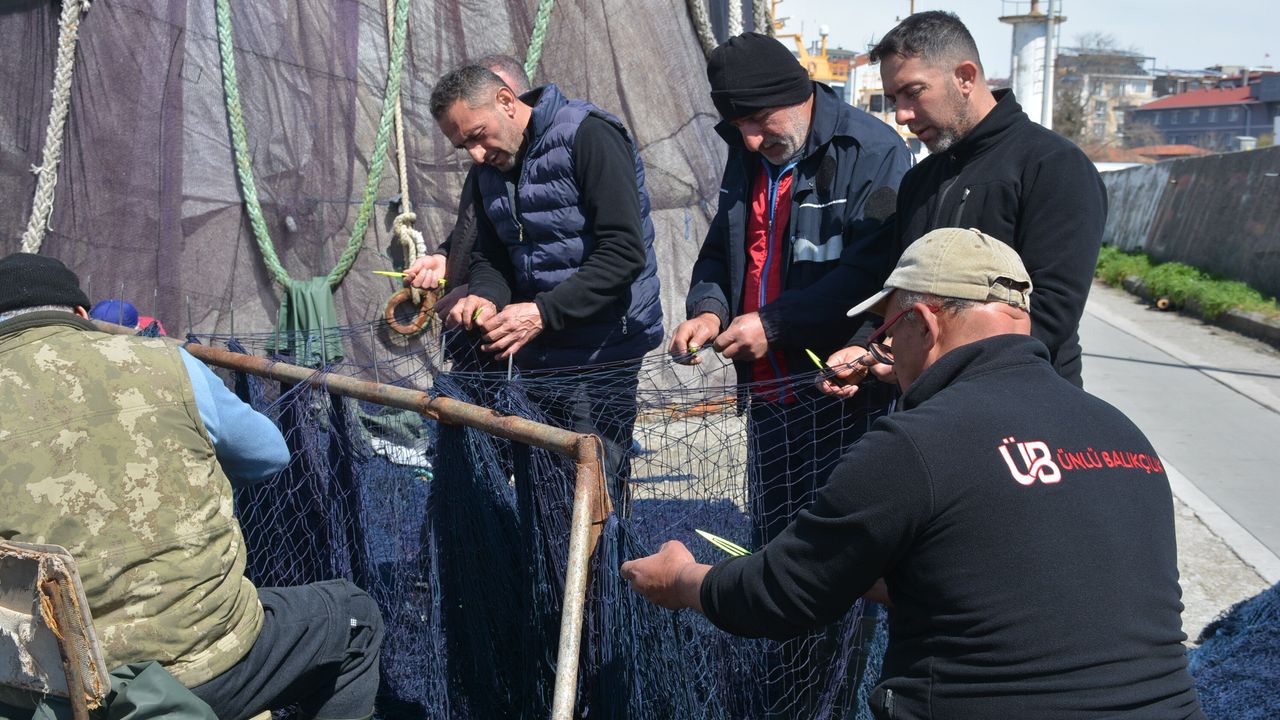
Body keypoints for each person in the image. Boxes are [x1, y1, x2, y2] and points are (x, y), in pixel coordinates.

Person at [622, 228, 1205, 720]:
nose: (886, 353)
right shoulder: (1122, 433)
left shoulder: (916, 443)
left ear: (924, 323)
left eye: (886, 333)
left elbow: (780, 596)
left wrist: (682, 580)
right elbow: (1017, 582)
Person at [0, 253, 384, 720]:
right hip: (205, 668)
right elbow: (269, 454)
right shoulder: (166, 361)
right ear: (81, 313)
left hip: (47, 692)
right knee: (354, 617)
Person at [671, 31, 912, 546]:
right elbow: (722, 251)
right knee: (774, 538)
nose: (751, 139)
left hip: (841, 396)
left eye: (760, 120)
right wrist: (709, 310)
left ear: (797, 95)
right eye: (739, 126)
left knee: (841, 547)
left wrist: (774, 325)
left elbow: (873, 274)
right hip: (767, 395)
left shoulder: (872, 151)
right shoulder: (749, 155)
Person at [815, 11, 1106, 395]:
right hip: (930, 406)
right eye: (893, 99)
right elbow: (900, 291)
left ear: (965, 77)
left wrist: (928, 362)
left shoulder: (1054, 166)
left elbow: (1051, 313)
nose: (901, 115)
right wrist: (865, 346)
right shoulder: (919, 179)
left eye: (913, 92)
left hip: (1025, 401)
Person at [423, 63, 664, 504]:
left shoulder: (589, 135)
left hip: (602, 351)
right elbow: (491, 257)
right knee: (544, 490)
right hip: (537, 354)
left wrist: (541, 312)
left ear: (506, 101)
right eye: (463, 146)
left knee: (592, 496)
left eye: (478, 135)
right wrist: (485, 296)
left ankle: (599, 555)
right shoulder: (487, 171)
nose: (475, 154)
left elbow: (624, 253)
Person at [405, 54, 530, 327]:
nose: (476, 153)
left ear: (508, 101)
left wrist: (483, 293)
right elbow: (475, 229)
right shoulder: (486, 165)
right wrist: (444, 259)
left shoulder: (548, 162)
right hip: (472, 334)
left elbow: (549, 263)